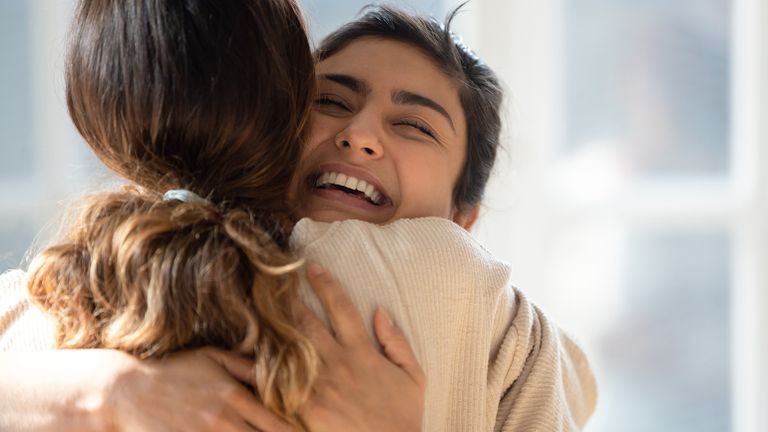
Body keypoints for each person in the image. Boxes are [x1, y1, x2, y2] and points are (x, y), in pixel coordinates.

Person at [1, 3, 597, 431]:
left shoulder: (503, 330)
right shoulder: (94, 274)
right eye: (331, 101)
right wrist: (106, 391)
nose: (360, 134)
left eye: (413, 125)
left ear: (463, 217)